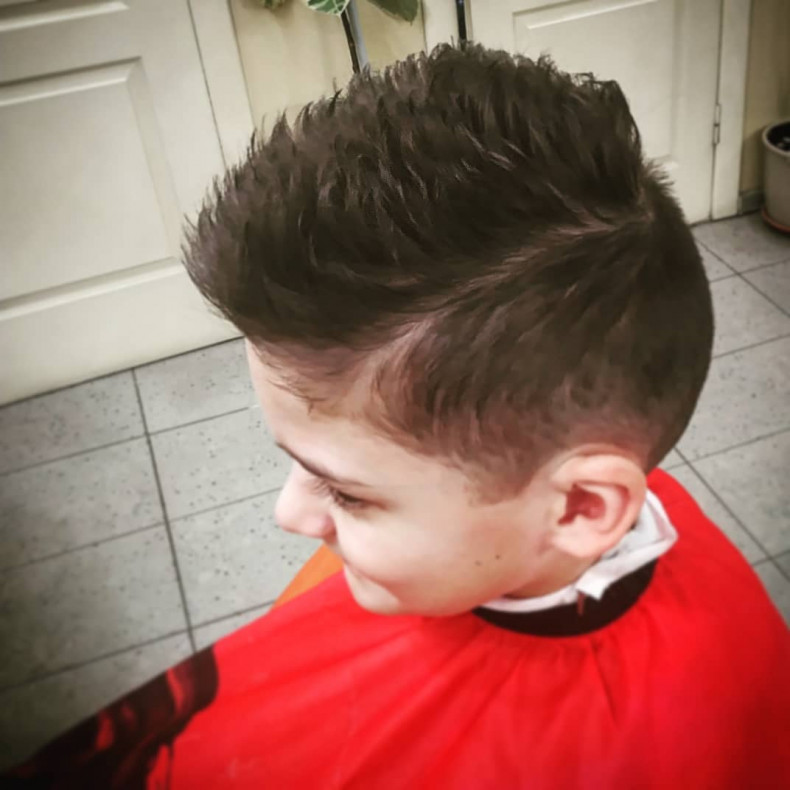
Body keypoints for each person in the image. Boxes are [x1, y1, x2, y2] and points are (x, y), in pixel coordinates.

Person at [4, 43, 788, 789]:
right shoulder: (542, 513)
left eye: (347, 493)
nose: (288, 516)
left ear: (584, 507)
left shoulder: (677, 725)